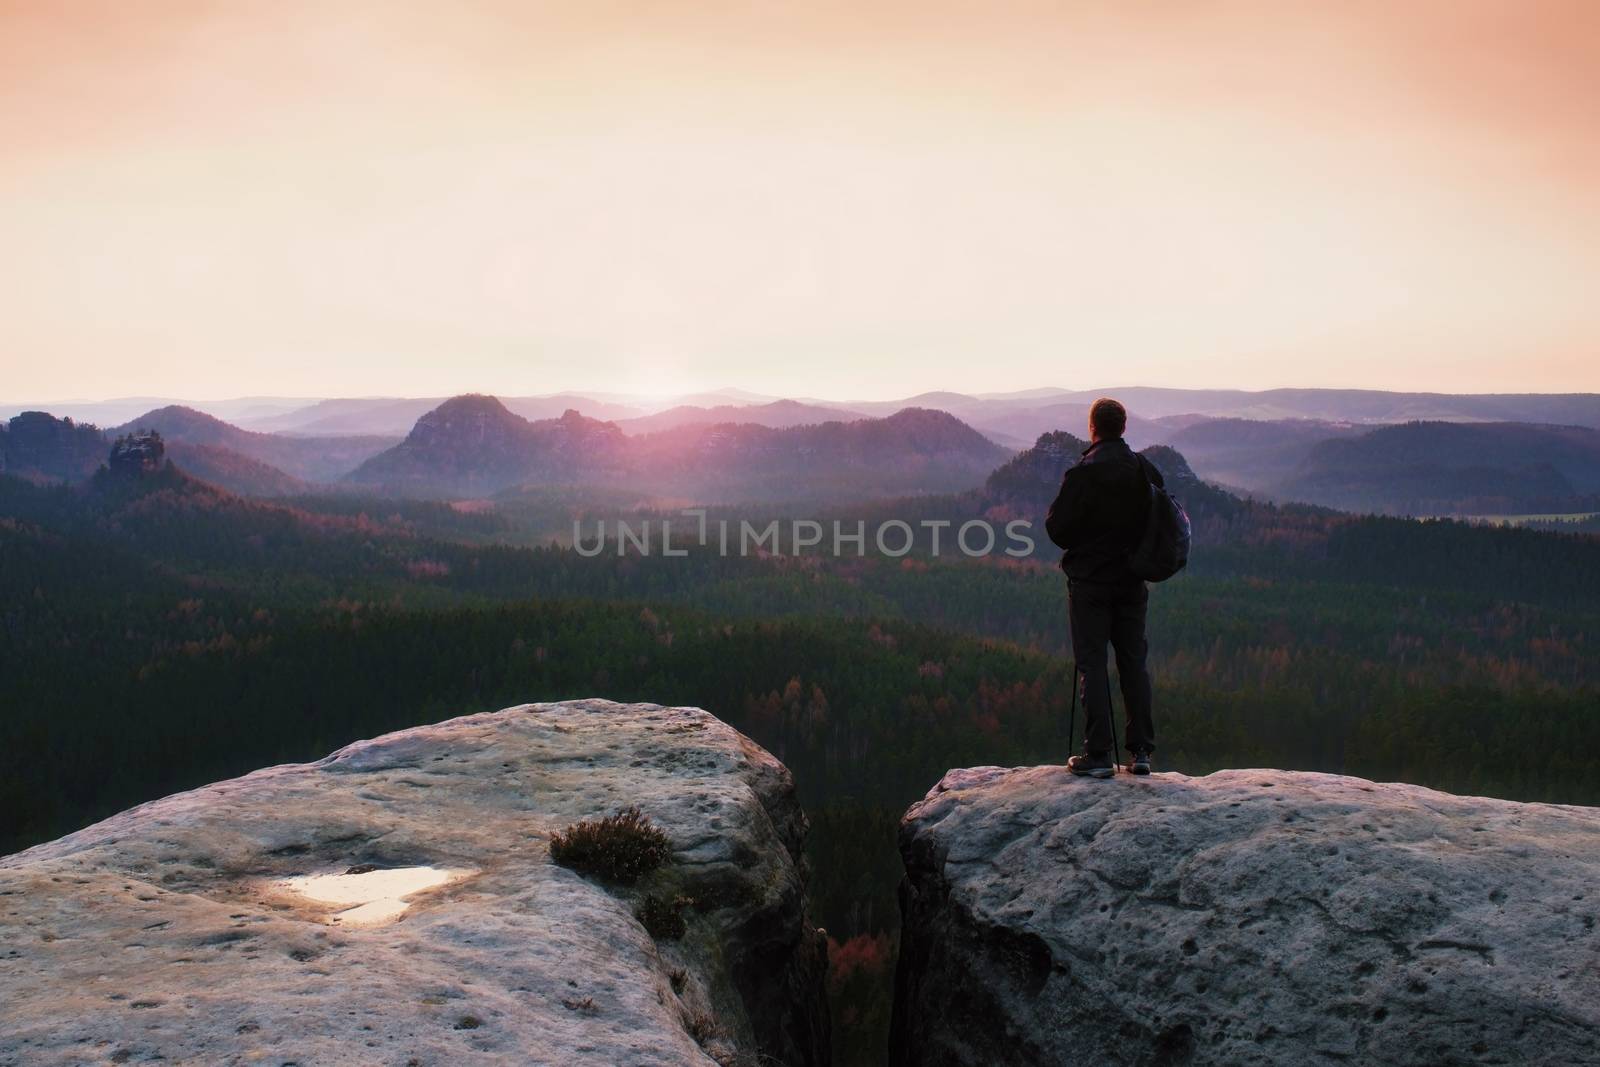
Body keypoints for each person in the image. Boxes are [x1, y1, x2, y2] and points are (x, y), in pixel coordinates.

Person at [1044, 397, 1160, 778]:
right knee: (1133, 663)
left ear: (1093, 427)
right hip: (1131, 581)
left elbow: (1057, 529)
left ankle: (1097, 755)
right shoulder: (1144, 470)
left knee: (1092, 664)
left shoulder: (1082, 474)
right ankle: (1141, 752)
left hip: (1091, 582)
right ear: (1123, 428)